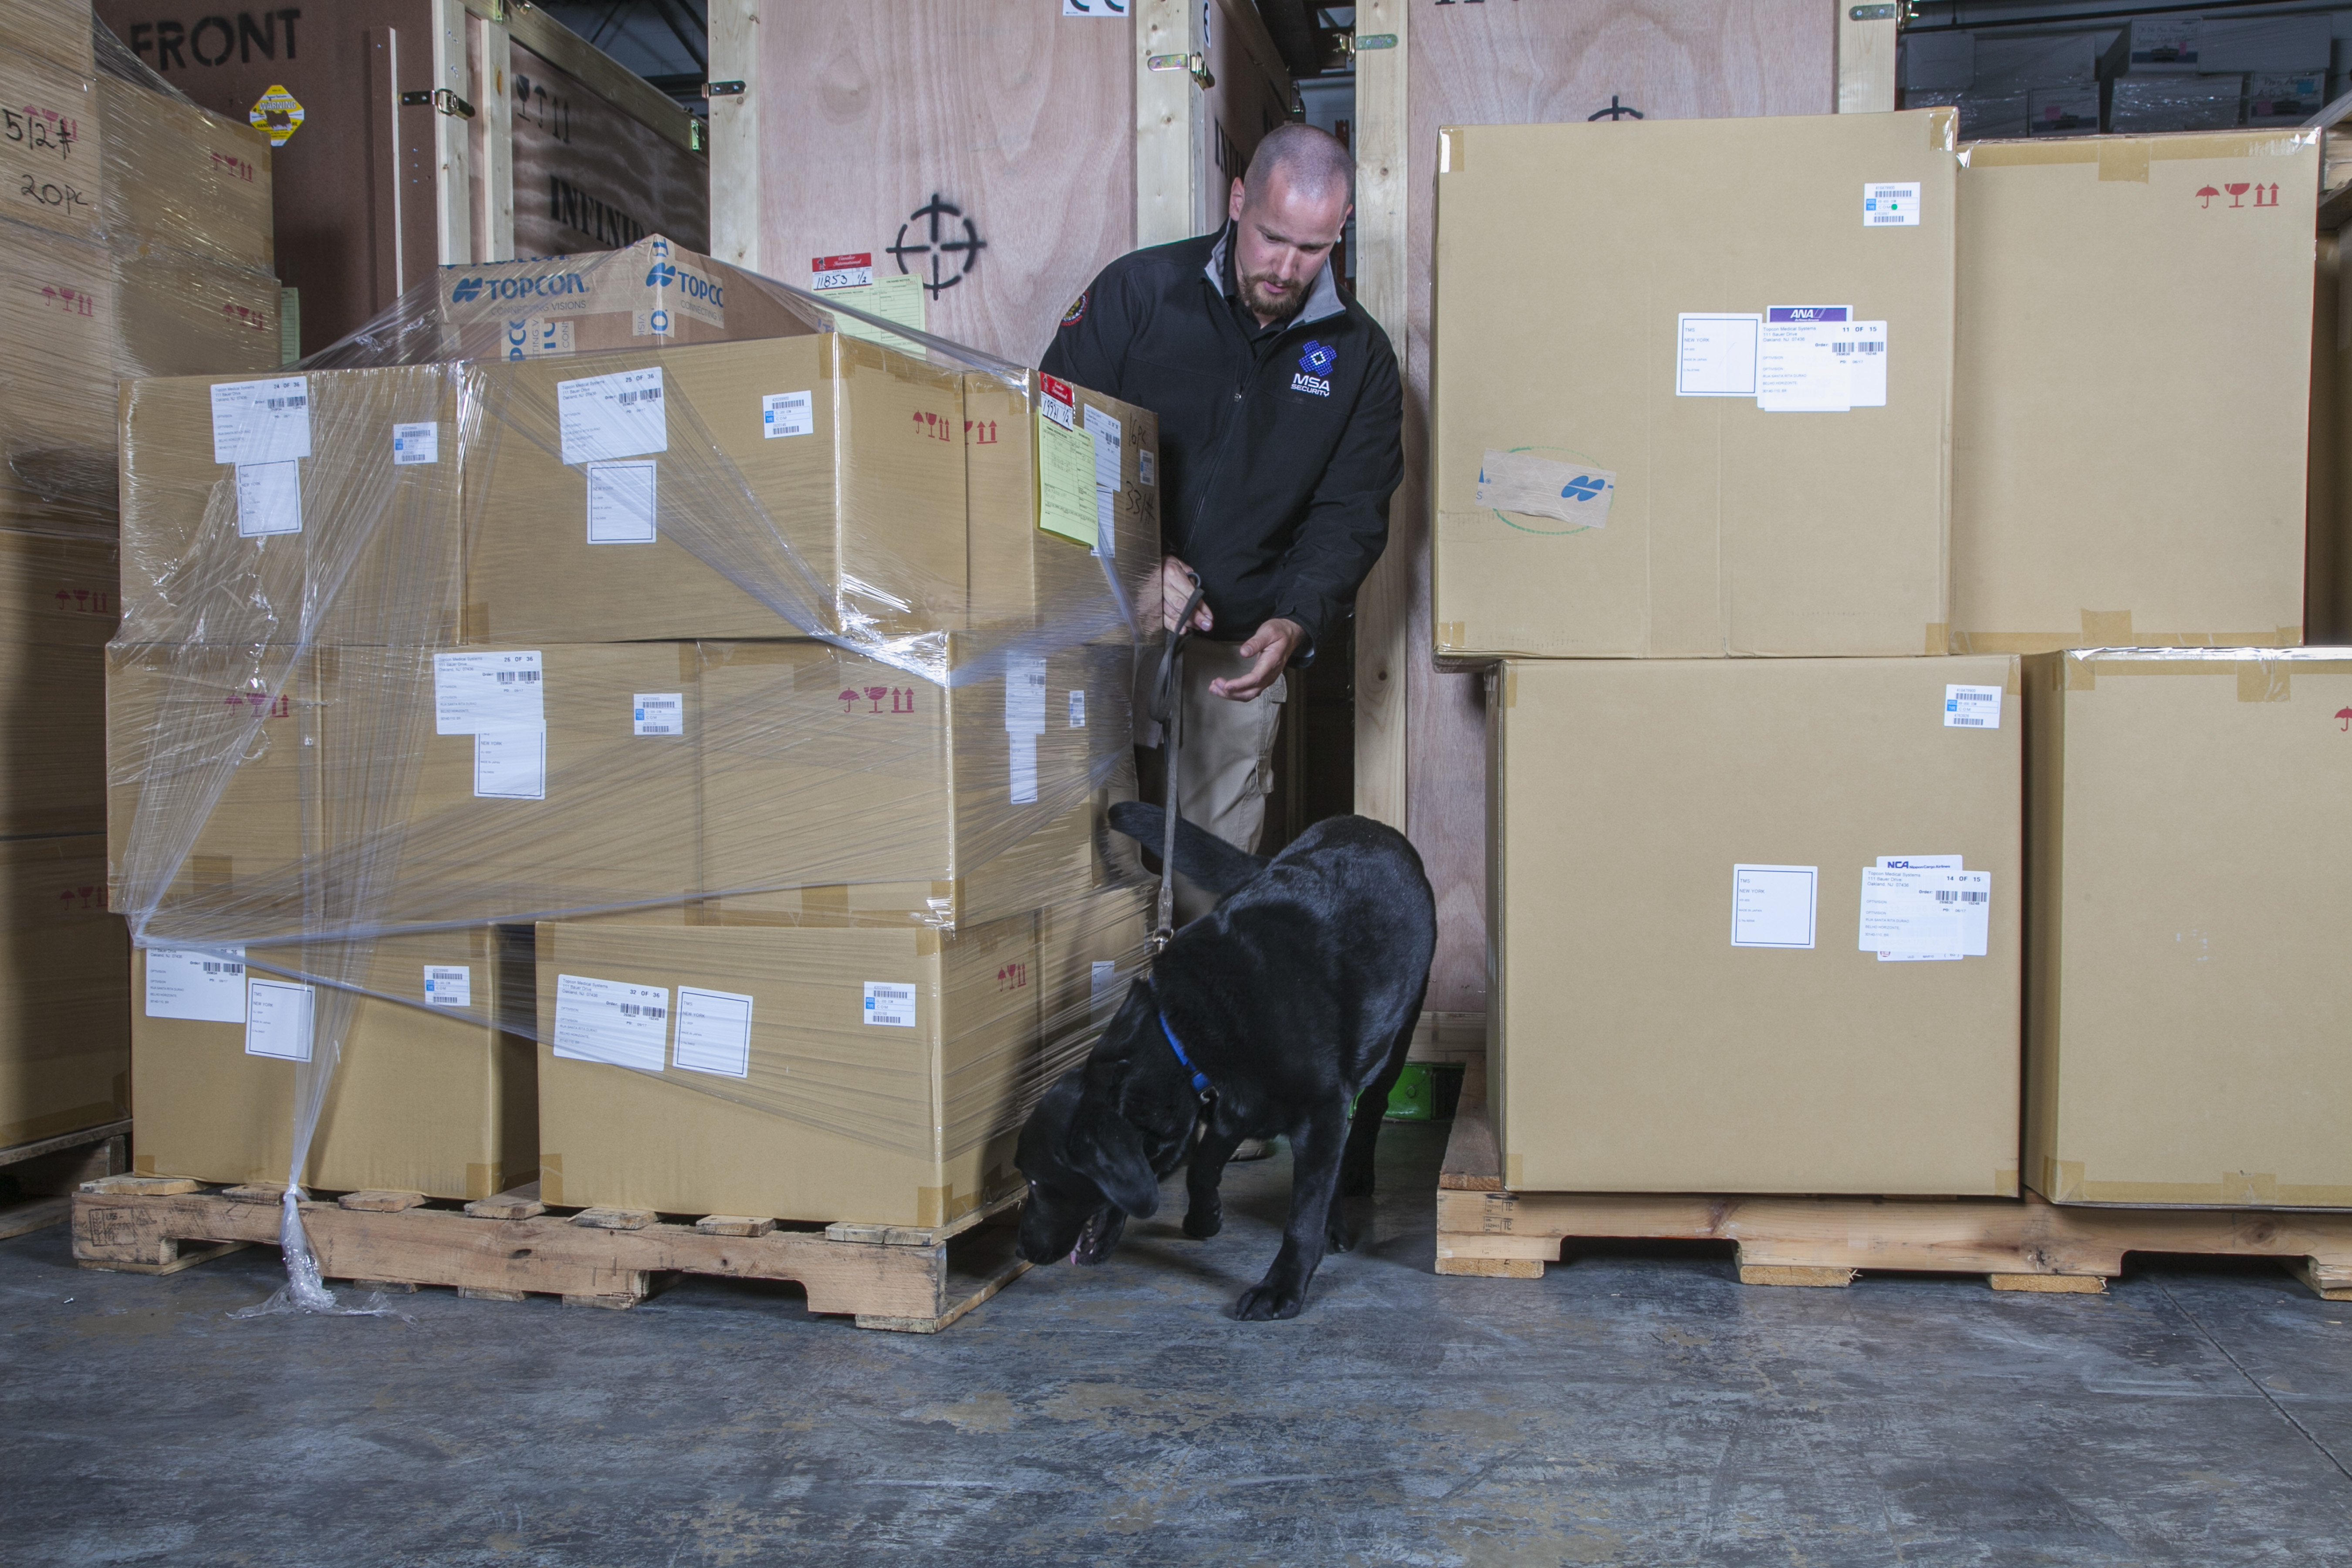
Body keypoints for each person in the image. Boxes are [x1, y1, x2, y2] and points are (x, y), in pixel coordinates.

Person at [1043, 123, 1403, 927]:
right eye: (1273, 237)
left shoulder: (1362, 361)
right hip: (1101, 637)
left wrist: (1296, 618)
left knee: (1211, 903)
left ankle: (1194, 1053)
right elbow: (1054, 439)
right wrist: (1134, 566)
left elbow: (1348, 516)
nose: (1285, 267)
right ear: (1239, 201)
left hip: (1232, 661)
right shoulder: (1139, 293)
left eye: (1311, 249)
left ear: (1339, 231)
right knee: (1085, 885)